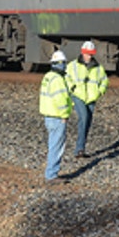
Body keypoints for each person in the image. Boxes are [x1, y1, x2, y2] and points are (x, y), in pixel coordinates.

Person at [66, 40, 109, 159]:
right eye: (87, 53)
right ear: (82, 52)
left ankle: (81, 148)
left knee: (87, 121)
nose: (89, 56)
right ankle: (79, 149)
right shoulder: (73, 65)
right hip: (78, 95)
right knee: (83, 118)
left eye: (91, 54)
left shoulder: (98, 68)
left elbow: (104, 80)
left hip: (91, 98)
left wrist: (100, 91)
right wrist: (72, 88)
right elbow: (67, 78)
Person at [39, 50, 72, 183]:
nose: (65, 66)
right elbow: (60, 99)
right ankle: (51, 175)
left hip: (49, 116)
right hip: (57, 117)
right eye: (64, 63)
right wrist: (65, 115)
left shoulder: (48, 76)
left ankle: (51, 173)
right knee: (56, 147)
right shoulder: (58, 80)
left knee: (53, 145)